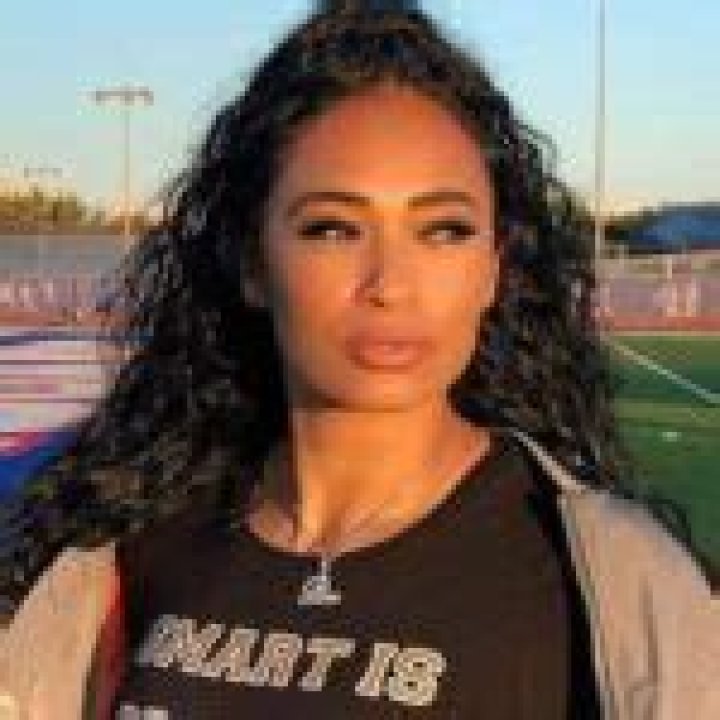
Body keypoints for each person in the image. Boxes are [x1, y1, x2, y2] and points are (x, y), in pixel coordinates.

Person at [0, 1, 717, 718]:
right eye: (333, 228)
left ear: (493, 268)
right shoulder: (128, 545)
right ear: (252, 263)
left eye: (444, 230)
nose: (390, 285)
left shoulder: (606, 583)